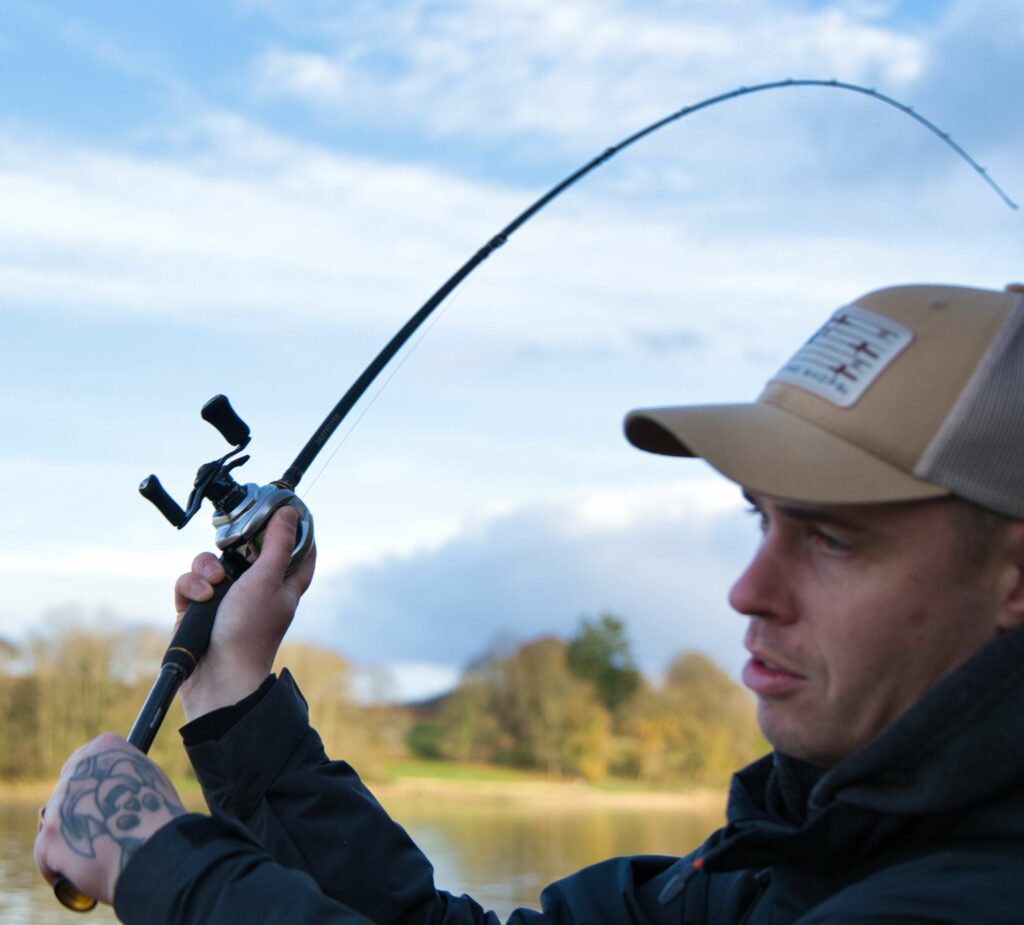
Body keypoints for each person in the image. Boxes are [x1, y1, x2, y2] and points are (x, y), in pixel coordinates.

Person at [36, 282, 1024, 924]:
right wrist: (233, 698)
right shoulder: (793, 859)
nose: (747, 590)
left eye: (833, 538)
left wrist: (167, 865)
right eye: (760, 520)